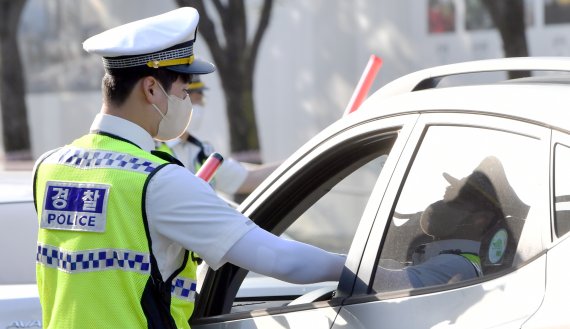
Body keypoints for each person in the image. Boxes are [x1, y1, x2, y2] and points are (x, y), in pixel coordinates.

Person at [33, 8, 345, 329]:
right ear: (152, 89)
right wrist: (366, 265)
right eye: (184, 92)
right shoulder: (158, 181)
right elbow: (282, 260)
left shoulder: (50, 167)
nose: (188, 104)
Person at [374, 156, 518, 292]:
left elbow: (384, 284)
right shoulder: (440, 258)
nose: (441, 203)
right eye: (447, 195)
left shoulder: (455, 265)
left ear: (481, 219)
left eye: (455, 199)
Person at [156, 75, 280, 197]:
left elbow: (249, 178)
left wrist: (297, 163)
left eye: (201, 99)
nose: (199, 105)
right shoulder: (151, 148)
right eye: (191, 98)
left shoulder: (201, 151)